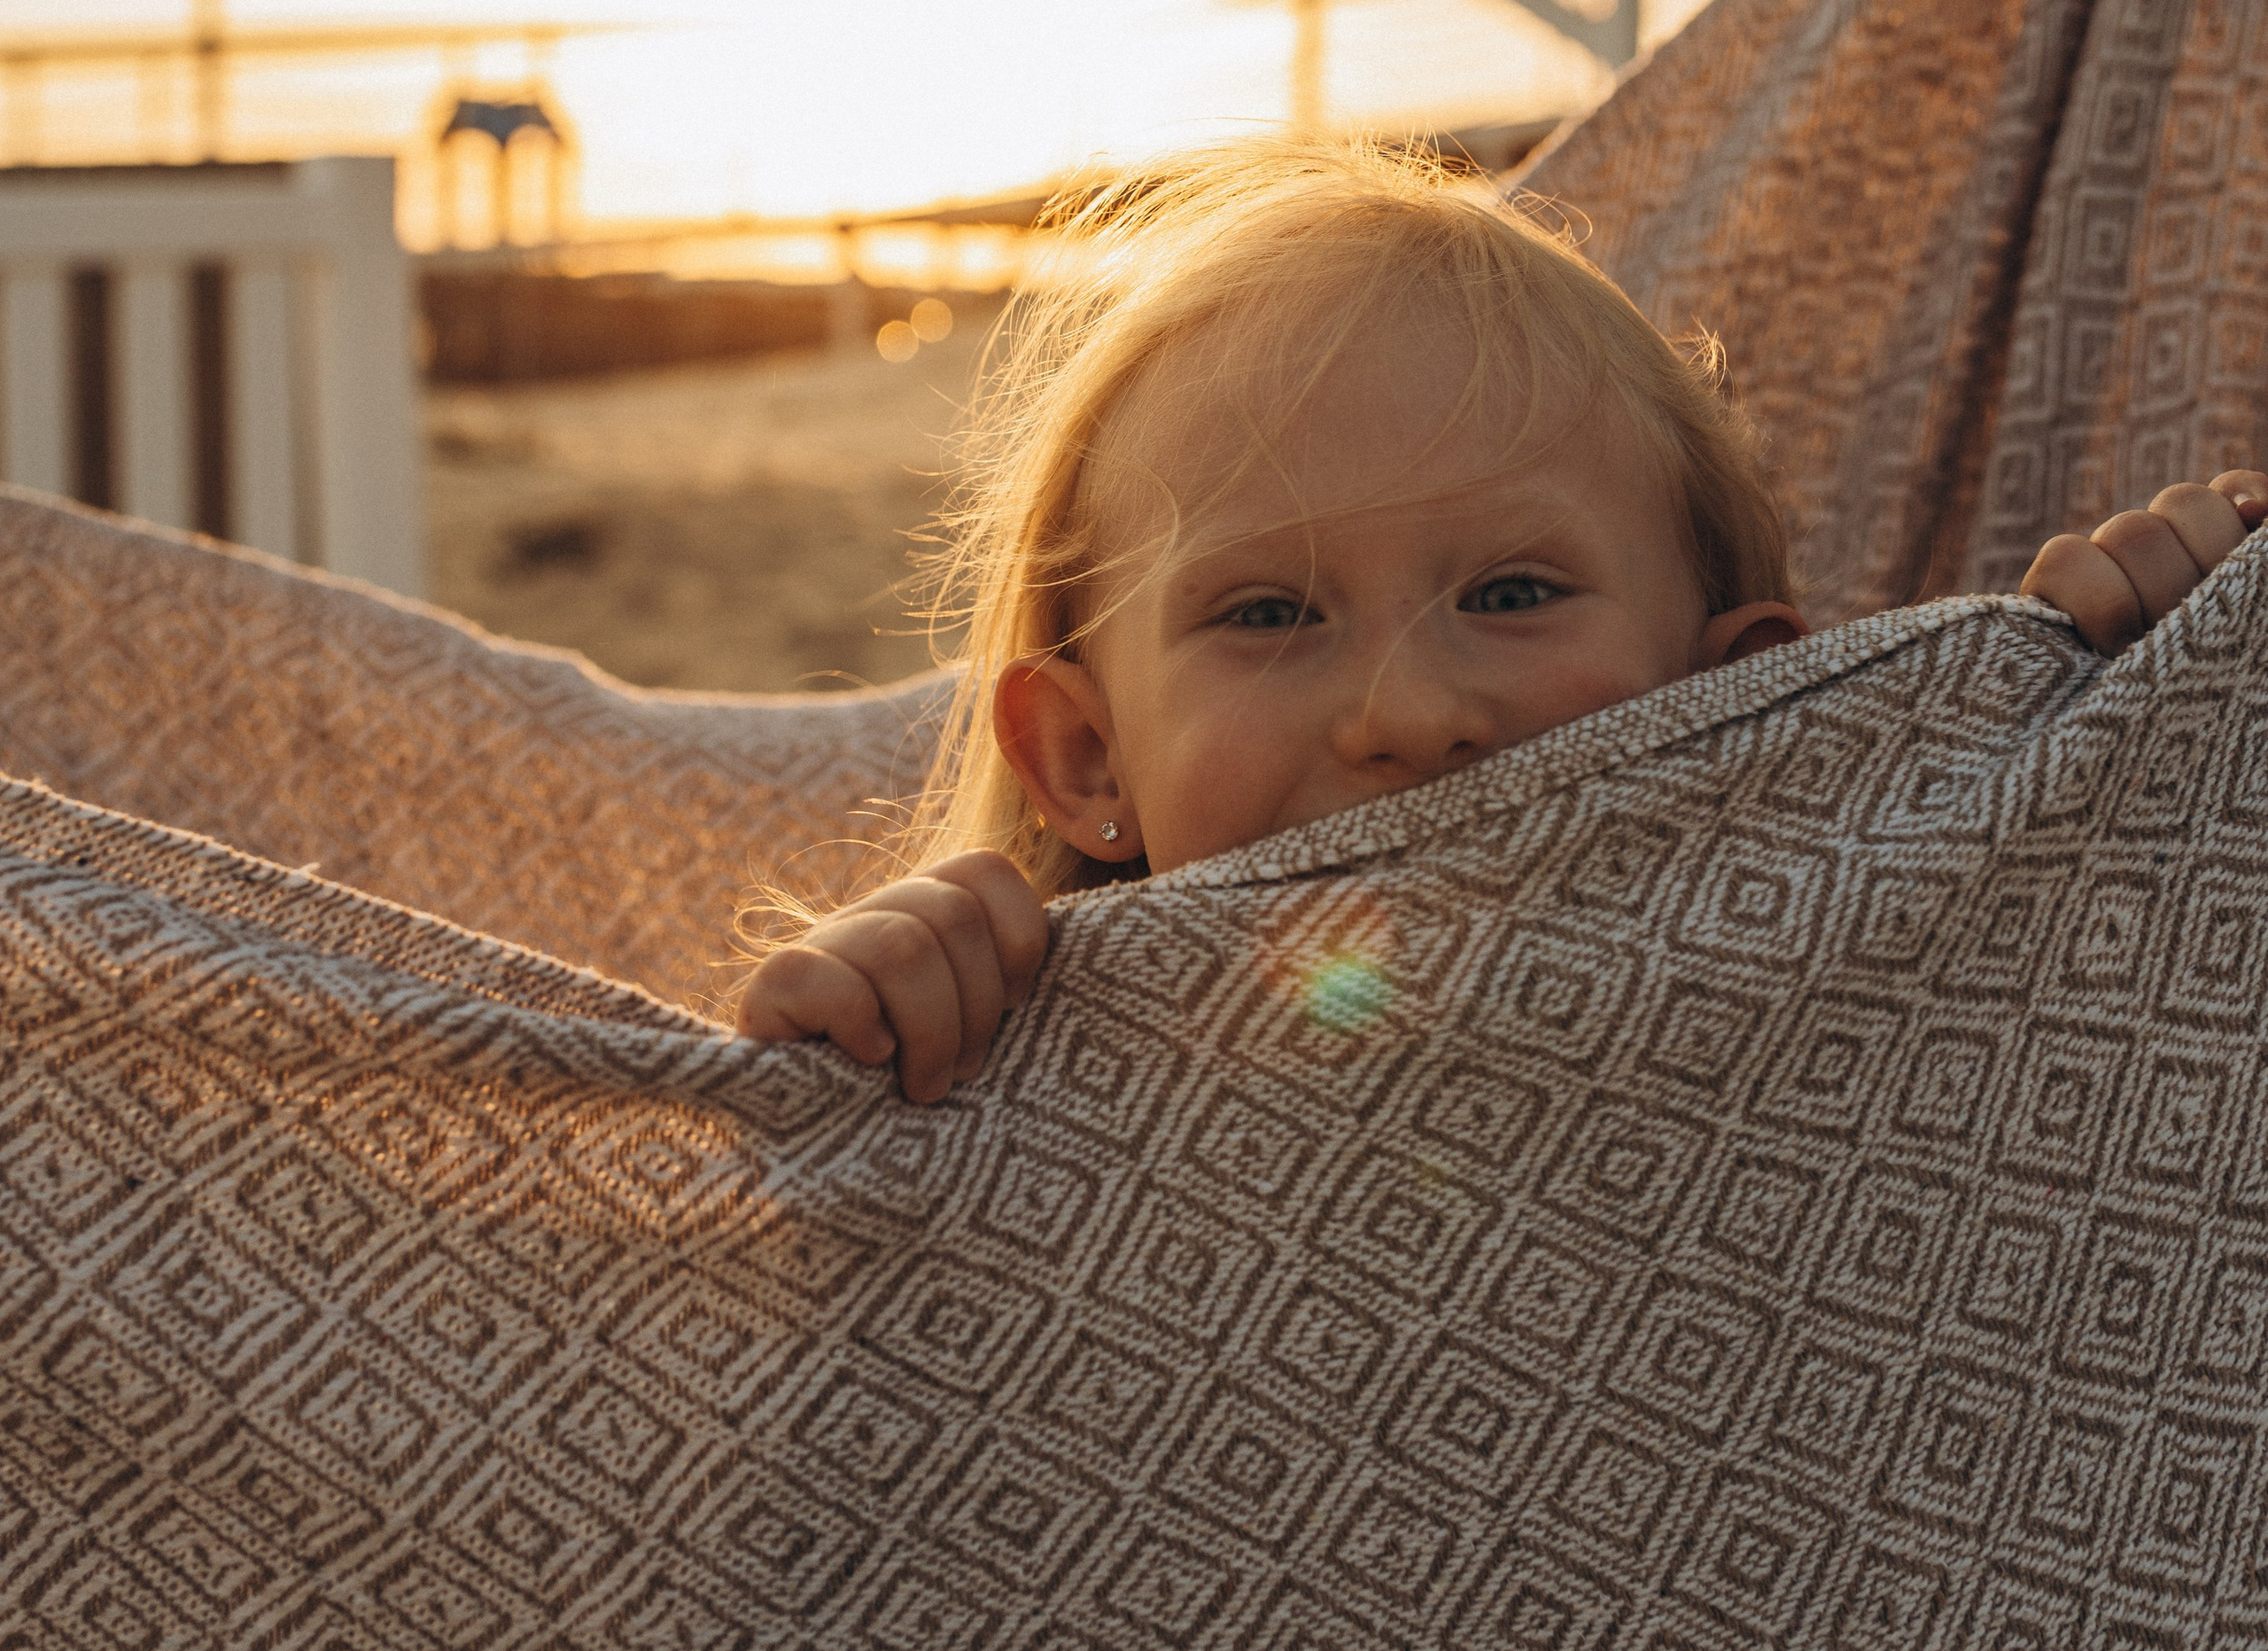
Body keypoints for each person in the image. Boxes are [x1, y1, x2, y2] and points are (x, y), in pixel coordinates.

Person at [736, 142, 2265, 1100]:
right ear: (1086, 762)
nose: (1409, 715)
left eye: (1515, 594)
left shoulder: (1890, 1008)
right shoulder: (1002, 1056)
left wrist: (2164, 758)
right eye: (1269, 611)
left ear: (1748, 695)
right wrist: (851, 1057)